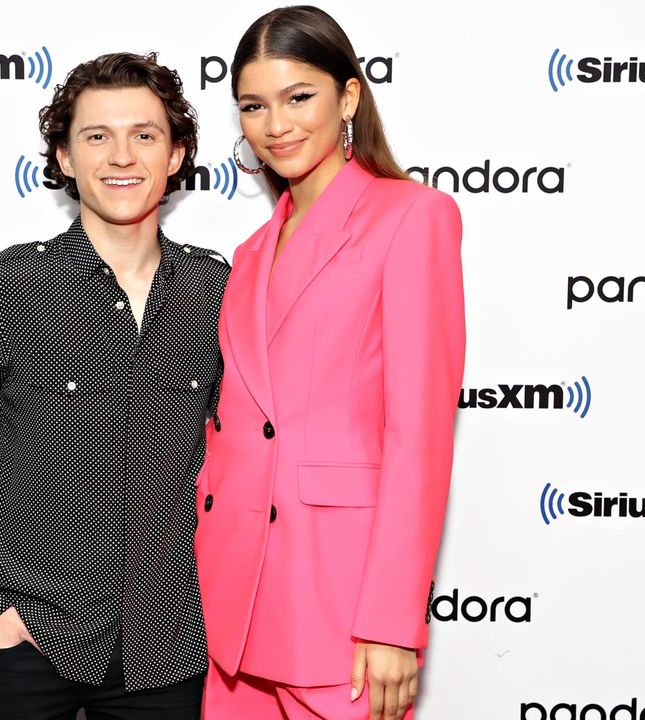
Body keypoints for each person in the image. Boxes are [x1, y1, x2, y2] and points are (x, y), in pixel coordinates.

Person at [0, 52, 227, 720]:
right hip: (29, 641)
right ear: (62, 156)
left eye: (144, 134)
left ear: (176, 155)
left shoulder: (218, 291)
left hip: (168, 650)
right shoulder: (6, 288)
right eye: (96, 136)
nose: (122, 156)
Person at [193, 7, 466, 720]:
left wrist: (389, 623)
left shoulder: (413, 216)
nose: (275, 124)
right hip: (233, 610)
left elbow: (419, 435)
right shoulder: (251, 255)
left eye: (298, 97)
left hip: (339, 606)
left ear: (348, 98)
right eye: (253, 106)